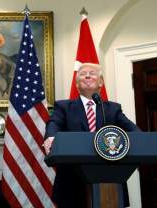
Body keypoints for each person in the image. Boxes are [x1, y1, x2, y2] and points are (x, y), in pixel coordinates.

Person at [44, 63, 139, 208]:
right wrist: (51, 136)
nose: (87, 75)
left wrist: (143, 140)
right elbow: (54, 123)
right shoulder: (63, 107)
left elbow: (133, 130)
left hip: (110, 179)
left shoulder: (113, 109)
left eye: (92, 73)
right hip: (72, 180)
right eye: (82, 74)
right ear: (77, 84)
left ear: (100, 82)